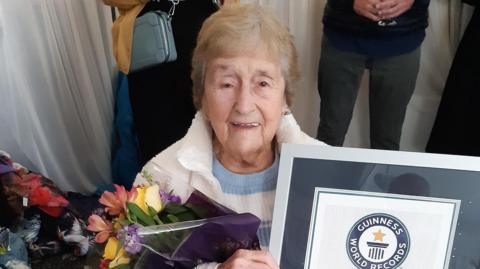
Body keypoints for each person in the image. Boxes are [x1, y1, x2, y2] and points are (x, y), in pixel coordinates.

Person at [133, 3, 325, 268]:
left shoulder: (327, 172)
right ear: (202, 97)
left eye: (263, 83)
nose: (244, 105)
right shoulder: (160, 179)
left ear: (285, 99)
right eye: (226, 83)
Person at [316, 0, 430, 150]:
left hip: (403, 38)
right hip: (343, 35)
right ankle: (322, 173)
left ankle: (382, 173)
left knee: (387, 139)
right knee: (330, 133)